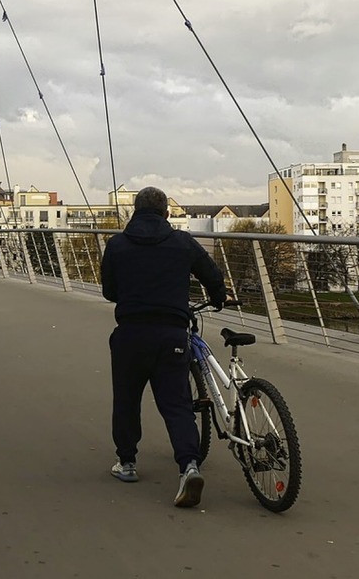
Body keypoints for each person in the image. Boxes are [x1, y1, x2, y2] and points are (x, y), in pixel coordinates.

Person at [100, 186, 227, 508]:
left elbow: (109, 291)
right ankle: (189, 466)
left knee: (127, 399)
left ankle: (126, 463)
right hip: (171, 334)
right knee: (177, 405)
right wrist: (217, 297)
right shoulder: (182, 242)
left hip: (130, 334)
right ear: (166, 214)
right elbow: (211, 275)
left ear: (134, 212)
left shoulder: (117, 245)